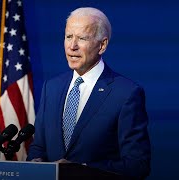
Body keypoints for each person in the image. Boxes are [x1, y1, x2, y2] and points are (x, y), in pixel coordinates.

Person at [27, 7, 151, 178]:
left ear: (102, 45)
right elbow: (38, 147)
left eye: (82, 38)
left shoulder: (126, 93)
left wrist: (82, 169)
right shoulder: (51, 88)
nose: (72, 46)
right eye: (68, 36)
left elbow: (138, 165)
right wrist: (36, 164)